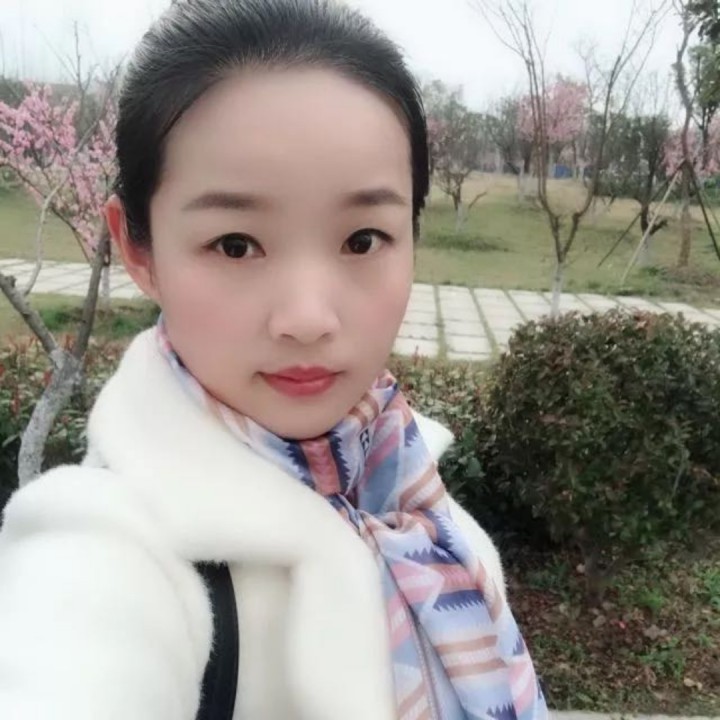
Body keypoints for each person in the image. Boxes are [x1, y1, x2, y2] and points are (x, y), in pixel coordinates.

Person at [0, 1, 547, 718]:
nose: (308, 319)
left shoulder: (409, 490)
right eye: (235, 244)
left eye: (362, 240)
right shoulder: (105, 551)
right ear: (137, 247)